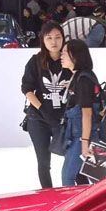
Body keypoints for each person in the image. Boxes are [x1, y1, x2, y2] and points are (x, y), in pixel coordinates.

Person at [21, 21, 71, 189]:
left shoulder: (70, 60)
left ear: (63, 38)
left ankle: (75, 192)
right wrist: (42, 110)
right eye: (49, 38)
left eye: (58, 37)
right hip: (38, 118)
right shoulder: (36, 61)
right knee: (43, 162)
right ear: (43, 40)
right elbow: (27, 89)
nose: (54, 42)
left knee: (71, 158)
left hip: (63, 120)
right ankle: (48, 194)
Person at [60, 39, 101, 186]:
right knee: (94, 179)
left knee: (68, 177)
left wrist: (84, 143)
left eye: (65, 52)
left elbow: (87, 113)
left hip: (82, 136)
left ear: (76, 55)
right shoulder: (81, 76)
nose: (61, 56)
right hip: (85, 134)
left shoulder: (83, 79)